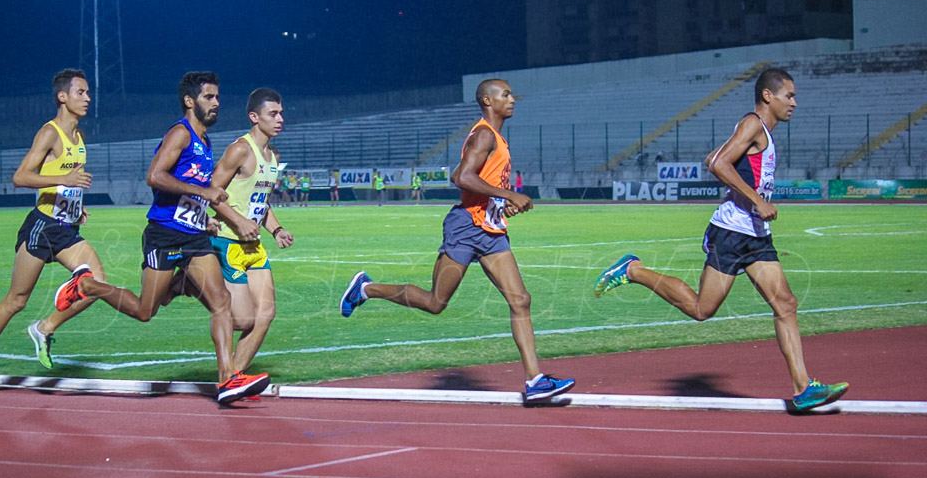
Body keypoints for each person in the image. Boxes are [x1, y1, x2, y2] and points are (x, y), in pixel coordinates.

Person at [593, 67, 848, 412]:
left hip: (756, 235)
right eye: (789, 96)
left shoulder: (763, 132)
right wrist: (757, 200)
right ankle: (634, 270)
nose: (795, 103)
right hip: (731, 232)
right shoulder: (753, 124)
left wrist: (744, 189)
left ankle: (804, 388)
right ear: (768, 96)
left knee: (785, 303)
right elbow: (717, 164)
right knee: (702, 309)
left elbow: (715, 159)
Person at [339, 79, 574, 403]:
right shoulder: (483, 135)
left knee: (520, 300)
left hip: (491, 230)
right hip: (466, 227)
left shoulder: (497, 139)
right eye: (505, 94)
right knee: (436, 303)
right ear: (488, 101)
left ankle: (535, 380)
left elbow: (481, 182)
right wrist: (508, 193)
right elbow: (460, 177)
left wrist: (501, 203)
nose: (512, 99)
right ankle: (366, 288)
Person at [53, 71, 267, 405]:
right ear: (189, 101)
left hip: (194, 236)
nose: (216, 103)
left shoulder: (206, 141)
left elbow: (194, 191)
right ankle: (87, 286)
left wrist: (204, 217)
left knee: (221, 300)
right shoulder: (180, 134)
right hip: (164, 236)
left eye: (217, 97)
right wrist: (202, 192)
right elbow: (155, 176)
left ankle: (227, 379)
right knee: (144, 310)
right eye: (209, 97)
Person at [0, 71, 103, 395]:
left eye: (88, 92)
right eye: (81, 92)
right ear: (62, 97)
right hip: (42, 228)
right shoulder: (49, 133)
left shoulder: (79, 136)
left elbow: (68, 181)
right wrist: (63, 184)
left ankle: (45, 328)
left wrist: (75, 206)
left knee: (99, 284)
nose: (87, 98)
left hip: (66, 228)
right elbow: (20, 177)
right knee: (16, 300)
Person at [200, 87, 294, 376]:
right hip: (228, 242)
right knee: (242, 320)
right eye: (273, 114)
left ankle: (232, 379)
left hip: (254, 247)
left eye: (281, 113)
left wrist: (276, 228)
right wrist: (237, 221)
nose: (280, 119)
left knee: (266, 314)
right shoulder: (241, 149)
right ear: (254, 117)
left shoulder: (273, 158)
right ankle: (188, 284)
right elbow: (210, 191)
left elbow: (260, 202)